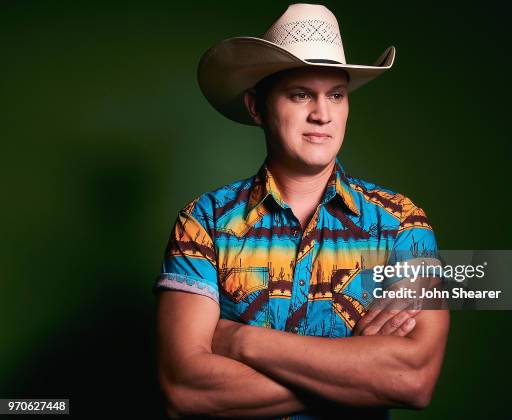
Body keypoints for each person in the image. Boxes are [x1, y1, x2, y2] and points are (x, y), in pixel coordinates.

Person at [154, 4, 449, 419]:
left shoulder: (401, 224)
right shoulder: (204, 221)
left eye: (336, 95)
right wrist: (359, 370)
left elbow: (413, 380)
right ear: (257, 107)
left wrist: (240, 341)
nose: (322, 114)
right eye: (300, 94)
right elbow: (186, 388)